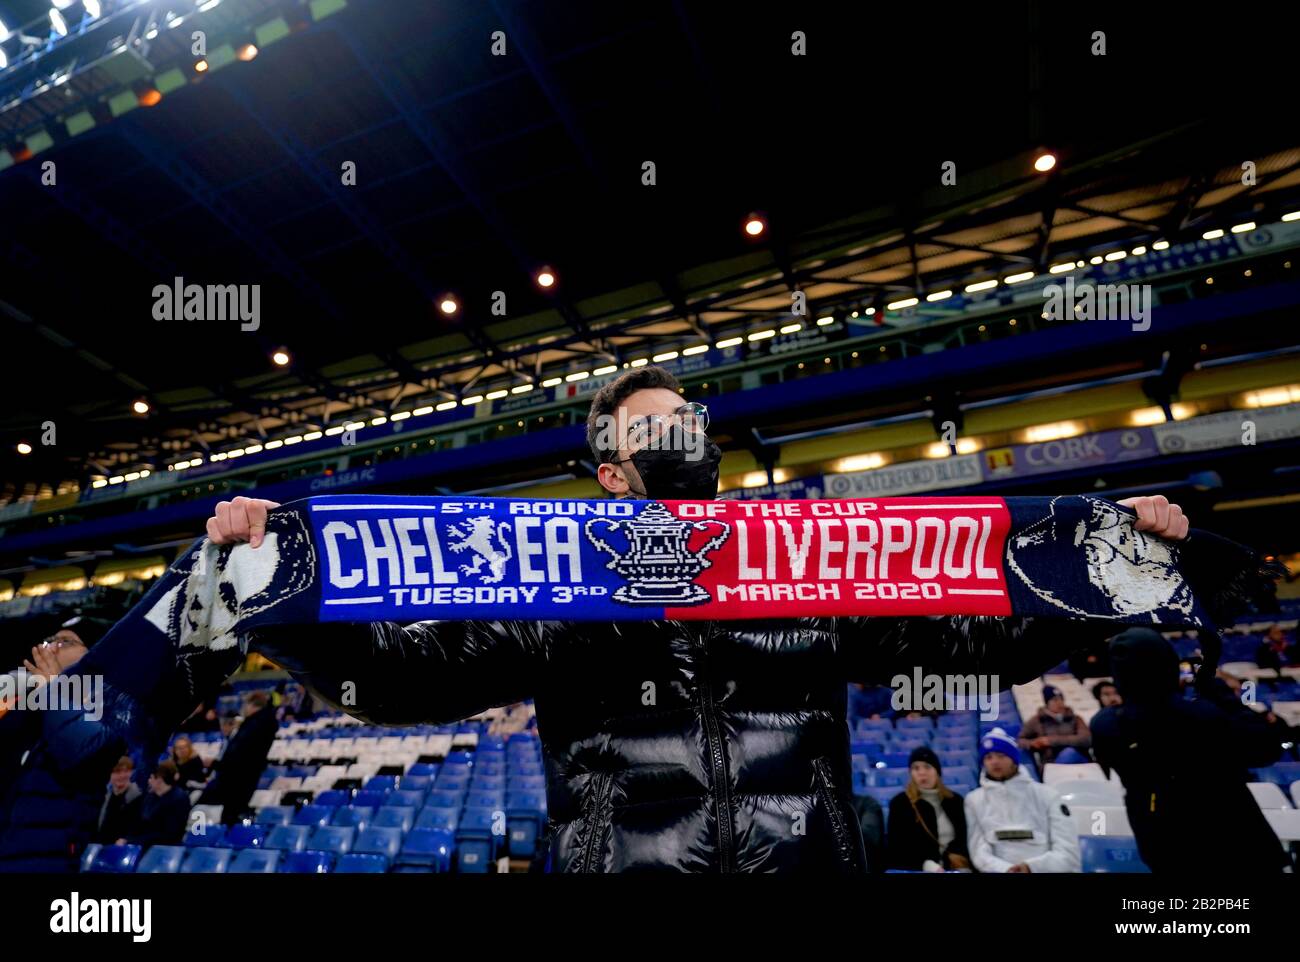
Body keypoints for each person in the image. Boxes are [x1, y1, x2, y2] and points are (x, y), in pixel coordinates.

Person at [206, 366, 1192, 873]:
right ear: (608, 470)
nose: (680, 427)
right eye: (653, 420)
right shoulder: (557, 586)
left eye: (690, 415)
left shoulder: (809, 565)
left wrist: (1114, 578)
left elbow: (968, 639)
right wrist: (271, 588)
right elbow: (397, 681)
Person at [1091, 628, 1287, 873]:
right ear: (1169, 666)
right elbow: (1266, 748)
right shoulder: (1202, 717)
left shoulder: (1106, 725)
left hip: (1166, 852)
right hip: (1236, 850)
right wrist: (1213, 684)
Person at [0, 619, 124, 872]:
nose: (52, 647)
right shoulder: (28, 702)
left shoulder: (112, 701)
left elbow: (80, 750)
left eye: (65, 641)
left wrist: (54, 689)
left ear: (95, 651)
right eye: (50, 640)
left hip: (46, 857)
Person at [965, 728, 1080, 873]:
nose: (994, 762)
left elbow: (1068, 852)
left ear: (1014, 760)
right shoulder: (974, 800)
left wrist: (1030, 867)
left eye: (1001, 756)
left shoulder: (1048, 795)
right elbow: (978, 851)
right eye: (988, 757)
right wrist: (1007, 869)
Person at [198, 691, 278, 824]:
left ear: (251, 705)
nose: (243, 708)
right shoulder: (256, 723)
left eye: (245, 704)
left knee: (224, 812)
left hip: (237, 778)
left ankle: (203, 835)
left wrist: (217, 764)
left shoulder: (255, 725)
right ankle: (206, 835)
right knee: (225, 812)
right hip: (237, 777)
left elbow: (239, 755)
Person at [886, 747, 970, 872]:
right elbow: (897, 846)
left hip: (953, 866)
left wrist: (949, 861)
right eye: (916, 768)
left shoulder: (955, 801)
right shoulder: (900, 803)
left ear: (937, 771)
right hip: (917, 868)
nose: (922, 772)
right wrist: (927, 865)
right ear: (911, 773)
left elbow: (964, 838)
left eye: (927, 767)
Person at [120, 761, 191, 849]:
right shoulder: (150, 796)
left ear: (159, 780)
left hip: (164, 847)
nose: (149, 781)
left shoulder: (179, 799)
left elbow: (170, 833)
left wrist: (134, 841)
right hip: (143, 842)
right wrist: (127, 838)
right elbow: (138, 821)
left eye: (151, 778)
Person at [1017, 685, 1091, 766]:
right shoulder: (1037, 720)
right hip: (1051, 763)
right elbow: (1020, 740)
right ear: (1047, 703)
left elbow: (1086, 739)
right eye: (1055, 700)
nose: (1059, 703)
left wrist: (1050, 741)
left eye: (1061, 699)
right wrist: (1032, 743)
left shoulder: (1076, 718)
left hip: (1079, 759)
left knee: (1069, 753)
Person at [94, 756, 142, 844]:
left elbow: (138, 830)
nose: (122, 775)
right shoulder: (105, 798)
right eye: (117, 772)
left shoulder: (138, 798)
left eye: (126, 771)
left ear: (131, 773)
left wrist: (126, 840)